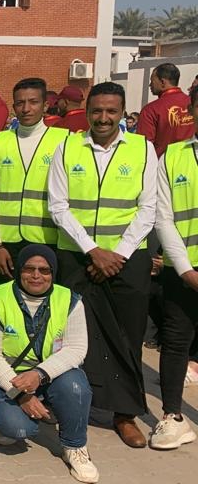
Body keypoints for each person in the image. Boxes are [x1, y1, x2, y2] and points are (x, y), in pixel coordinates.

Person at [48, 81, 156, 448]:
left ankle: (125, 414)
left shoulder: (143, 148)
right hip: (78, 255)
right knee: (72, 335)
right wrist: (93, 250)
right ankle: (73, 403)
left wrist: (117, 254)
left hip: (127, 258)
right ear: (88, 112)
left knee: (128, 335)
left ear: (123, 113)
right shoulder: (68, 147)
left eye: (111, 111)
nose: (104, 118)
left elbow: (148, 208)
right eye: (97, 111)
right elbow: (58, 206)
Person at [0, 245, 97, 482]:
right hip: (10, 378)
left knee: (75, 386)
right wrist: (21, 395)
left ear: (53, 273)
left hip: (51, 374)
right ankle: (11, 419)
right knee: (18, 429)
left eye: (44, 270)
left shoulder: (70, 300)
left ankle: (75, 447)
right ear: (19, 270)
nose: (36, 275)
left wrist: (40, 374)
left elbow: (76, 349)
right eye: (29, 269)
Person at [0, 78, 70, 285]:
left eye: (33, 102)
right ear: (14, 107)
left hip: (49, 239)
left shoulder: (64, 140)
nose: (26, 109)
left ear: (45, 105)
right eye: (20, 103)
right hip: (6, 242)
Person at [150, 86, 198, 450]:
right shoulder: (173, 157)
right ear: (191, 110)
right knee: (176, 342)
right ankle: (173, 416)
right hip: (184, 270)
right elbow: (163, 217)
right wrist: (185, 270)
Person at [139, 62, 196, 156]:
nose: (150, 85)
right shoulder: (193, 104)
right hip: (193, 160)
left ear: (162, 82)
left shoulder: (150, 110)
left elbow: (143, 148)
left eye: (152, 81)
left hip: (164, 163)